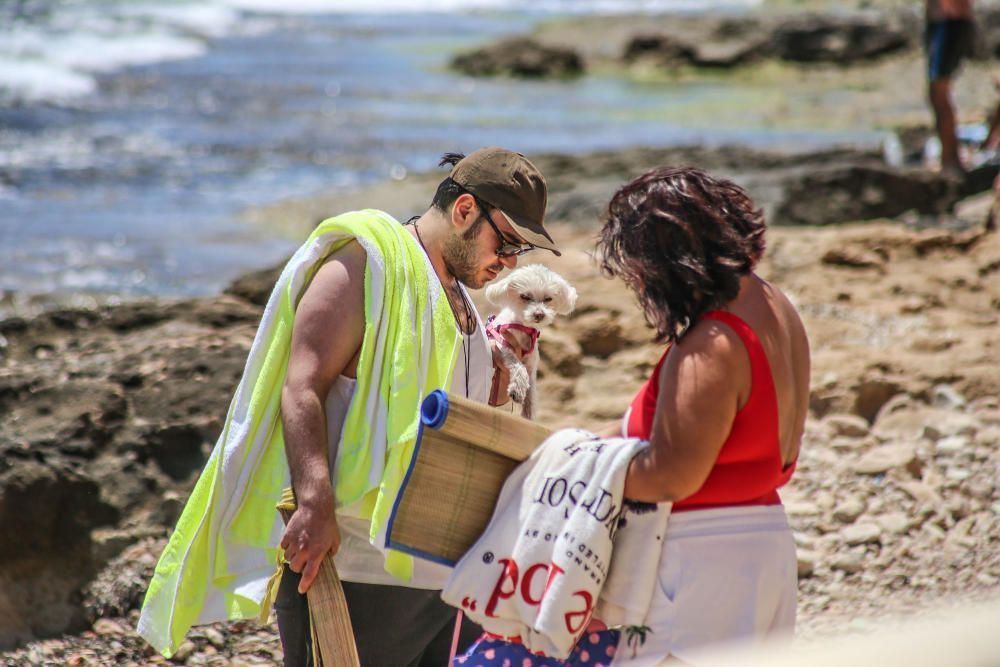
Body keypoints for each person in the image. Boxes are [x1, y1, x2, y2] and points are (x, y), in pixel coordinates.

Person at [137, 147, 561, 666]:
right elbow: (303, 384)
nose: (511, 263)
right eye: (509, 242)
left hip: (443, 568)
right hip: (355, 561)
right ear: (465, 210)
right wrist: (314, 505)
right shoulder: (365, 260)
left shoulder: (466, 306)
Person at [457, 166, 810, 667]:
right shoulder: (774, 306)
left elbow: (672, 473)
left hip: (700, 564)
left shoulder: (712, 342)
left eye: (641, 271)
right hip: (762, 546)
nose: (641, 285)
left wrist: (573, 469)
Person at [925, 0, 976, 177]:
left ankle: (951, 162)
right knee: (936, 93)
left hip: (949, 21)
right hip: (942, 22)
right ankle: (948, 158)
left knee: (939, 92)